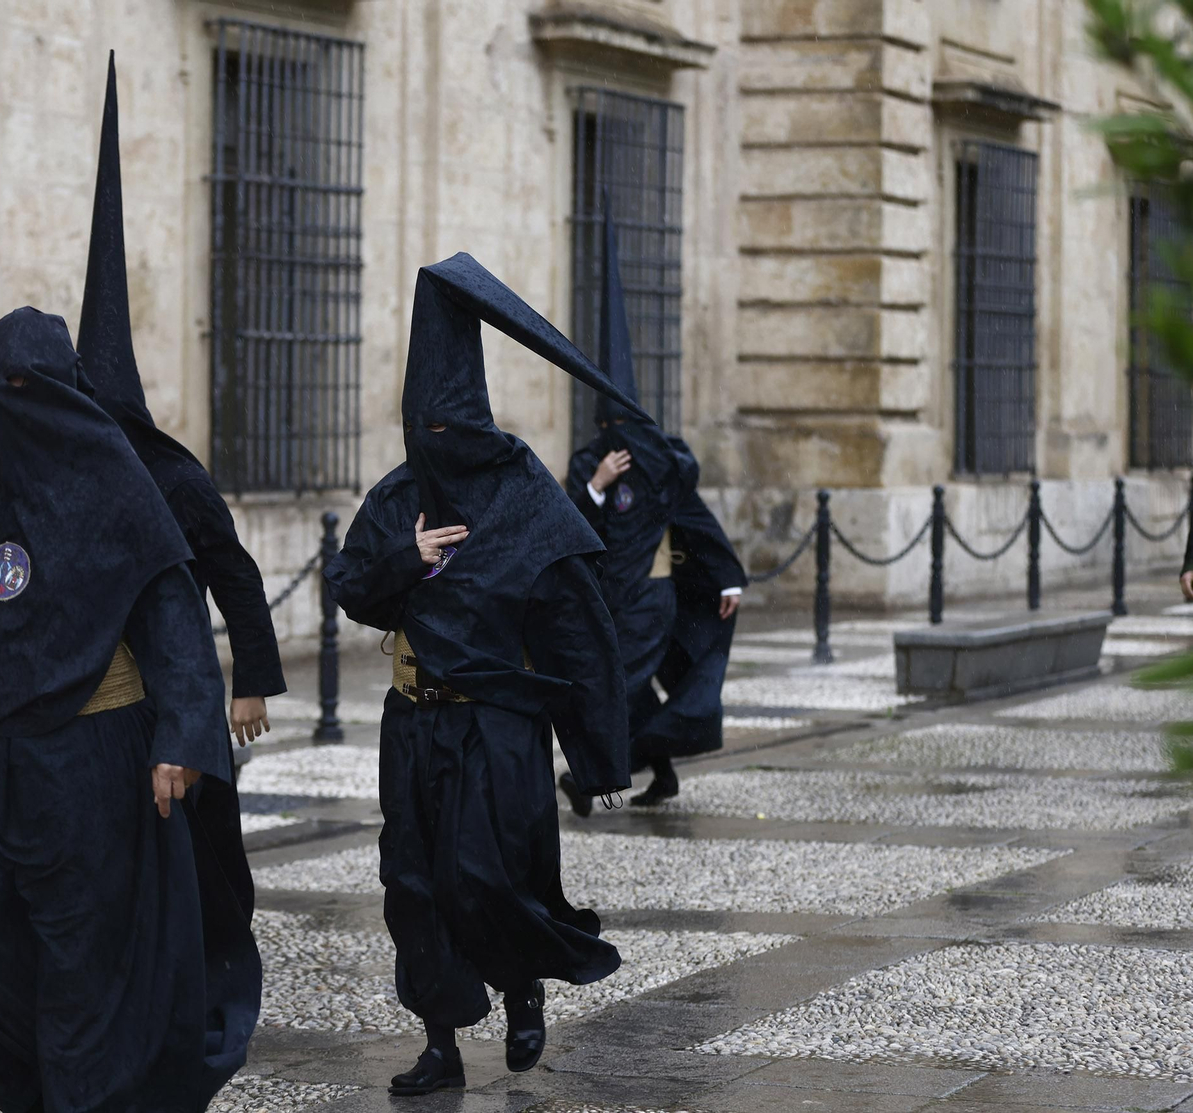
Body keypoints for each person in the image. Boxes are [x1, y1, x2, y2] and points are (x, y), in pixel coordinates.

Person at [0, 307, 260, 1113]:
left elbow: (173, 617)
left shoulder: (119, 483)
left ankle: (85, 1098)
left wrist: (184, 732)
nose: (3, 403)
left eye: (21, 386)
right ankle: (34, 1091)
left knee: (86, 961)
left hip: (91, 755)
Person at [325, 254, 643, 1096]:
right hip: (413, 719)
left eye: (448, 427)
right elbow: (351, 588)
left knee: (488, 875)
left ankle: (524, 987)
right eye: (421, 427)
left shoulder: (524, 493)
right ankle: (441, 1044)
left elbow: (580, 628)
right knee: (413, 883)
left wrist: (600, 755)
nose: (435, 442)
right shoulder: (399, 500)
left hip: (498, 722)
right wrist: (407, 556)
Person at [77, 54, 285, 781]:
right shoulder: (56, 476)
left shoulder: (176, 479)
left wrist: (249, 679)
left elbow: (237, 575)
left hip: (174, 677)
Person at [563, 206, 746, 810]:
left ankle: (592, 778)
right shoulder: (589, 461)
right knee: (630, 690)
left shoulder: (662, 462)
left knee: (617, 688)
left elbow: (693, 516)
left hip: (651, 596)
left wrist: (727, 577)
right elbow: (571, 525)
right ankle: (659, 774)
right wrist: (594, 483)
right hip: (608, 596)